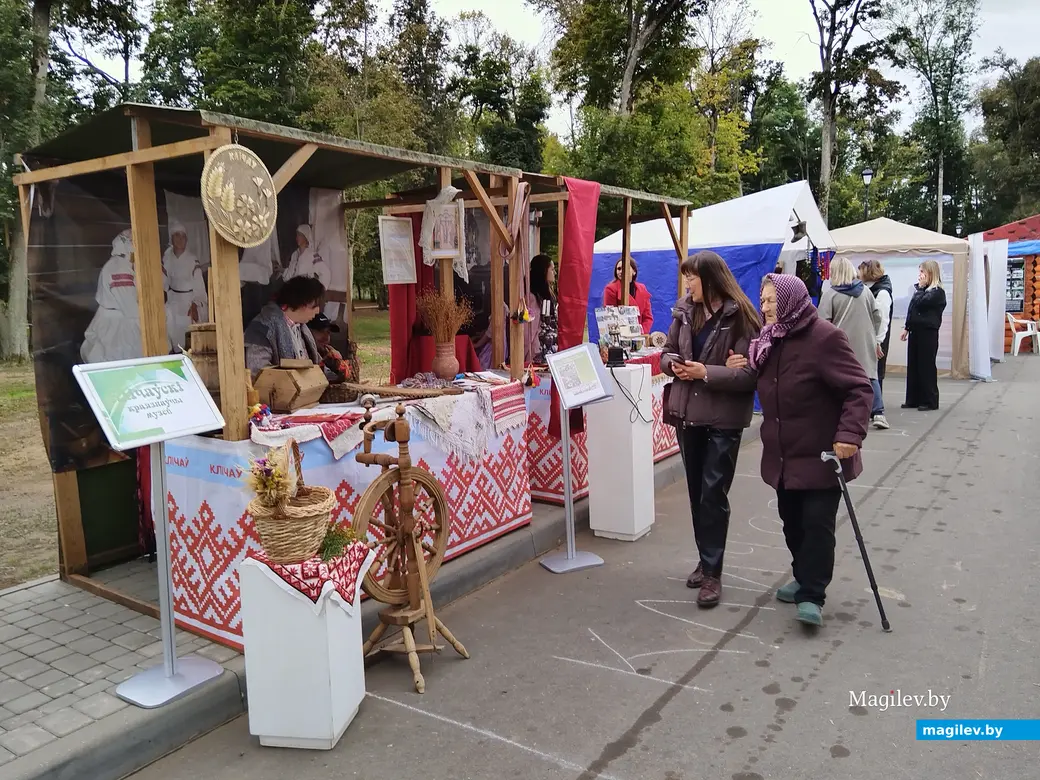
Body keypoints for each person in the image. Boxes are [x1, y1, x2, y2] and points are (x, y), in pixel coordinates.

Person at [726, 274, 872, 627]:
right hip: (783, 457)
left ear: (792, 301)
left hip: (822, 455)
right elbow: (762, 378)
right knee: (792, 523)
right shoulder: (768, 339)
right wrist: (741, 365)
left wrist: (850, 434)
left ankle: (812, 594)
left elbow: (859, 388)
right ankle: (802, 574)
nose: (765, 308)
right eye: (762, 301)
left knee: (817, 526)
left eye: (772, 301)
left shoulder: (825, 338)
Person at [660, 251, 761, 608]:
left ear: (711, 279)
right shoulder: (685, 312)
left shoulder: (742, 317)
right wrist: (675, 366)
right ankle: (706, 562)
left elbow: (749, 374)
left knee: (713, 493)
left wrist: (707, 372)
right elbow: (667, 352)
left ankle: (713, 574)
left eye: (692, 278)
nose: (687, 284)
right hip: (690, 414)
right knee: (695, 493)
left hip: (723, 418)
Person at [81, 229, 171, 363]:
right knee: (121, 360)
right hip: (117, 327)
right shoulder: (118, 268)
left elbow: (162, 284)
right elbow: (131, 307)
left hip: (127, 321)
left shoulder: (131, 264)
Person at [818, 257, 886, 430]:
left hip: (841, 343)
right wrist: (875, 337)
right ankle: (878, 412)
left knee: (842, 378)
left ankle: (845, 412)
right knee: (870, 375)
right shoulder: (865, 292)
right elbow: (877, 316)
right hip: (866, 340)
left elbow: (822, 323)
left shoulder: (830, 295)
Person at [244, 275, 325, 378]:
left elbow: (313, 364)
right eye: (315, 305)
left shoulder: (301, 327)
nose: (318, 311)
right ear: (302, 303)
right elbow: (258, 372)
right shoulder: (261, 327)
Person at [901, 259, 947, 411]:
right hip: (915, 330)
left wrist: (919, 290)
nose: (919, 275)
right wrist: (907, 327)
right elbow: (912, 308)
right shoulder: (921, 291)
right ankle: (913, 398)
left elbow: (920, 303)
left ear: (930, 274)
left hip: (928, 332)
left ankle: (930, 400)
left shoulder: (937, 292)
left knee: (926, 366)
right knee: (913, 365)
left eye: (922, 272)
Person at [162, 222, 208, 348]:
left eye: (183, 236)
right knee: (167, 317)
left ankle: (188, 350)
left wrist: (195, 304)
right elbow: (164, 282)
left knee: (188, 321)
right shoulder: (167, 259)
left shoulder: (192, 260)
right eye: (177, 235)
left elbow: (199, 287)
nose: (180, 239)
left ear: (186, 240)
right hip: (173, 298)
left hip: (190, 299)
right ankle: (173, 351)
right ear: (172, 238)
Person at [859, 260, 893, 406]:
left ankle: (876, 407)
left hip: (877, 339)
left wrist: (878, 341)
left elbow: (883, 319)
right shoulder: (871, 289)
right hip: (871, 337)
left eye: (860, 270)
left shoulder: (882, 292)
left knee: (875, 373)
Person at [603, 258, 653, 333]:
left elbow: (648, 317)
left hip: (640, 336)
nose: (621, 271)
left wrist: (641, 332)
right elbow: (610, 317)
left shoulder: (642, 289)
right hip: (620, 336)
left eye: (625, 268)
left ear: (634, 272)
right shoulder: (610, 289)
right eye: (619, 269)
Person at [526, 254, 559, 364]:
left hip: (549, 345)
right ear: (544, 271)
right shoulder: (533, 298)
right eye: (552, 269)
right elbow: (530, 329)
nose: (554, 273)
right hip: (538, 350)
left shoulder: (547, 293)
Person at [307, 312, 357, 384]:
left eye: (328, 332)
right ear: (308, 332)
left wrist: (338, 363)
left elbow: (347, 379)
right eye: (321, 331)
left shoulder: (327, 355)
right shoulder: (303, 354)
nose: (326, 337)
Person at [282, 225, 330, 290]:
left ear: (306, 236)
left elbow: (326, 272)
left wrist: (319, 291)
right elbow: (289, 275)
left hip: (305, 292)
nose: (297, 238)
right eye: (297, 235)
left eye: (300, 235)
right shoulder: (294, 255)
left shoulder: (313, 255)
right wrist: (282, 270)